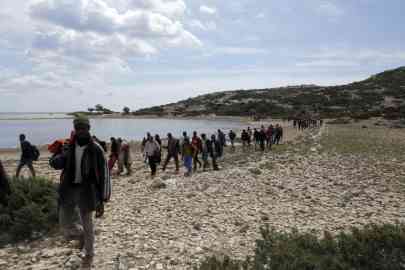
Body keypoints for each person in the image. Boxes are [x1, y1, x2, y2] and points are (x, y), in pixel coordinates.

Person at [49, 115, 110, 268]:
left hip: (87, 191)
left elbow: (104, 175)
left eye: (83, 128)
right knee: (64, 223)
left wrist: (103, 199)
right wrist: (57, 158)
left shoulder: (96, 149)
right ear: (74, 129)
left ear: (88, 128)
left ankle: (89, 253)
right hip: (68, 189)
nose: (80, 131)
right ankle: (81, 235)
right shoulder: (68, 146)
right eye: (78, 128)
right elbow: (57, 164)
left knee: (87, 223)